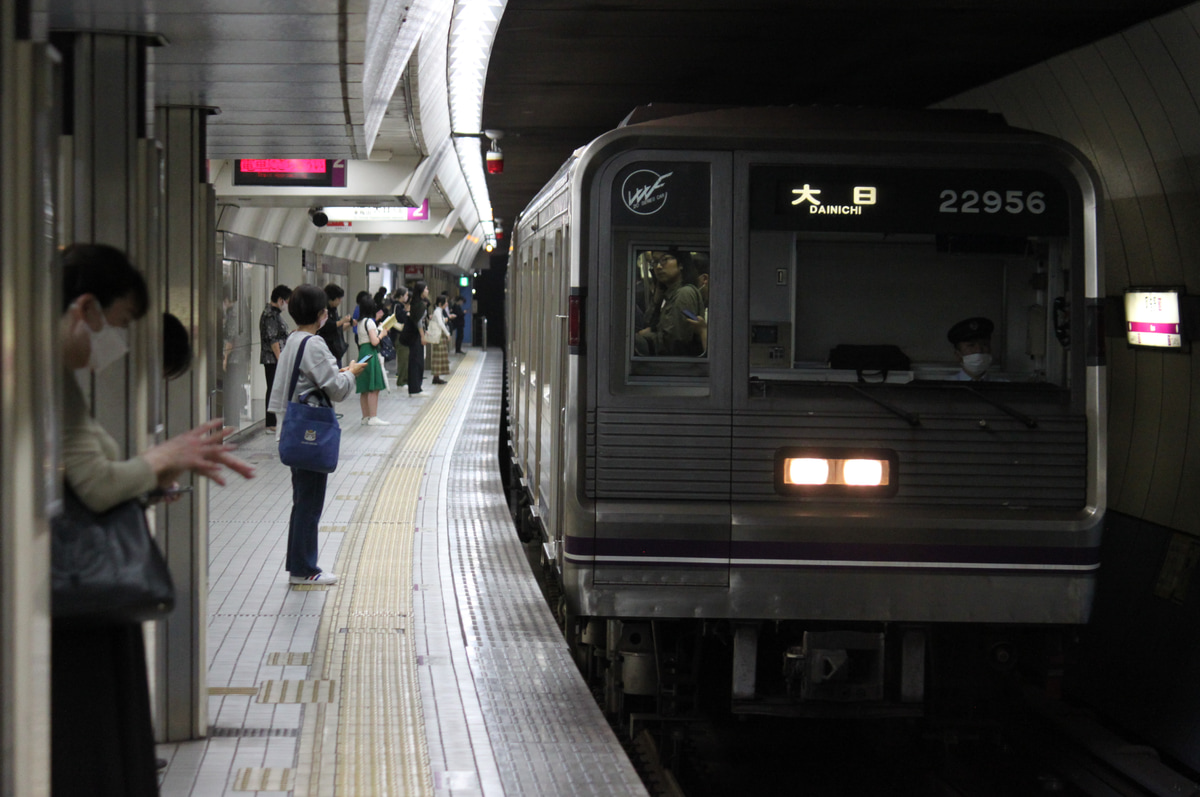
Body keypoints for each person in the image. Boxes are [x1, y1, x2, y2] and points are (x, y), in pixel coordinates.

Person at [55, 243, 255, 797]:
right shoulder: (40, 374)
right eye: (117, 324)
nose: (115, 343)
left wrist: (150, 474)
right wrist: (160, 459)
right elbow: (93, 485)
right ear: (85, 311)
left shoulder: (57, 377)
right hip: (68, 607)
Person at [267, 284, 367, 585]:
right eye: (325, 310)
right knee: (309, 504)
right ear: (320, 313)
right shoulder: (313, 344)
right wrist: (350, 372)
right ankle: (304, 569)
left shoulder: (293, 340)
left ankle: (301, 564)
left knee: (303, 502)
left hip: (293, 428)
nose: (327, 314)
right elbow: (335, 389)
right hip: (308, 433)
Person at [634, 252, 704, 356]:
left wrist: (648, 336)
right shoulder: (667, 294)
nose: (658, 266)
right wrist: (656, 301)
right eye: (655, 262)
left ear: (680, 264)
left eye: (664, 260)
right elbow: (647, 322)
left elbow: (675, 343)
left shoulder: (684, 294)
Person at [259, 284, 292, 431]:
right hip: (272, 359)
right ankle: (271, 423)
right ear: (280, 300)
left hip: (275, 358)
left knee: (275, 388)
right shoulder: (270, 315)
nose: (286, 305)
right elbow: (273, 340)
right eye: (286, 301)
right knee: (272, 388)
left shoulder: (275, 314)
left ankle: (274, 421)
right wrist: (280, 359)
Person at [354, 293, 390, 424]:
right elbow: (374, 341)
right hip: (370, 352)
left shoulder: (360, 322)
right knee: (373, 387)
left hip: (362, 353)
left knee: (364, 387)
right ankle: (373, 417)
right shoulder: (369, 322)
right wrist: (382, 334)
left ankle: (365, 417)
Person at [947, 316, 996, 381]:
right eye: (971, 345)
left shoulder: (1005, 387)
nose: (979, 350)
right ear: (958, 355)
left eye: (984, 344)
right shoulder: (946, 387)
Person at [404, 280, 430, 397]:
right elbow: (419, 322)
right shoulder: (419, 305)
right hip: (416, 337)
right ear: (421, 291)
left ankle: (416, 387)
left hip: (415, 336)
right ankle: (415, 389)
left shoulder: (415, 303)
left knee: (416, 361)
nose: (427, 291)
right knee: (416, 362)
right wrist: (422, 336)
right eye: (426, 289)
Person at [317, 283, 352, 366]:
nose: (340, 301)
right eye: (338, 298)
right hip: (328, 349)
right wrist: (342, 321)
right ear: (332, 298)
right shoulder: (323, 309)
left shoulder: (334, 310)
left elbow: (338, 327)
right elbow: (327, 326)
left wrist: (349, 324)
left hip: (337, 350)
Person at [428, 295, 452, 385]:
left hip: (439, 336)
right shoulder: (438, 311)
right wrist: (447, 334)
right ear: (440, 303)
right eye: (445, 302)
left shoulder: (439, 311)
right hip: (439, 336)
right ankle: (436, 377)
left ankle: (437, 376)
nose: (447, 303)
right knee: (438, 357)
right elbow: (441, 324)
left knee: (439, 357)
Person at [392, 286, 411, 388]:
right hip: (399, 335)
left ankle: (405, 379)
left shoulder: (400, 306)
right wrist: (407, 313)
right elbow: (400, 318)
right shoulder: (397, 306)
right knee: (403, 359)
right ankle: (401, 380)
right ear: (401, 296)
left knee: (406, 358)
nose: (407, 297)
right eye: (406, 295)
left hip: (401, 335)